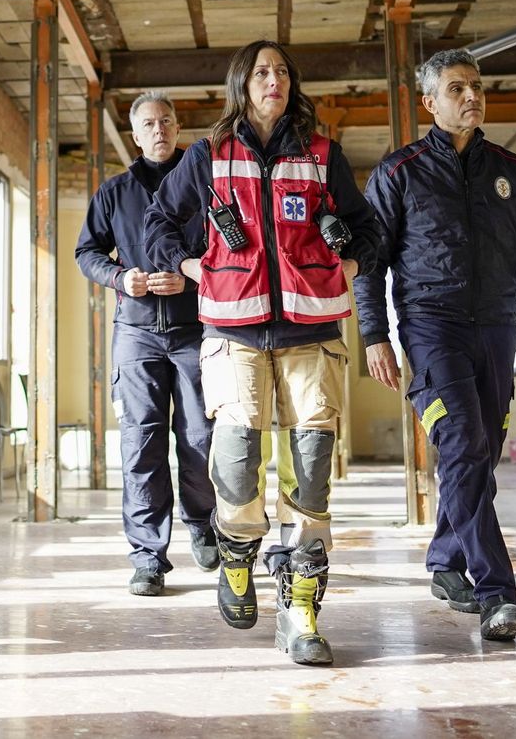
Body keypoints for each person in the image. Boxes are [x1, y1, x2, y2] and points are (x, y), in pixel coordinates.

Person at [144, 40, 380, 666]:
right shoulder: (209, 155)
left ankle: (300, 610)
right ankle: (237, 552)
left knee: (311, 465)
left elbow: (368, 228)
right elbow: (158, 223)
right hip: (233, 331)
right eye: (260, 72)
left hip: (312, 331)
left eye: (281, 71)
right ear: (241, 85)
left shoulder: (322, 155)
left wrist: (350, 264)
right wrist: (192, 265)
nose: (273, 79)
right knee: (236, 454)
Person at [353, 48, 516, 642]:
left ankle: (444, 561)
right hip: (431, 326)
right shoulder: (399, 173)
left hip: (498, 327)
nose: (471, 97)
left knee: (480, 453)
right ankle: (496, 593)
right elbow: (368, 263)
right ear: (430, 102)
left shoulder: (513, 172)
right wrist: (374, 335)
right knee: (461, 442)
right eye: (456, 88)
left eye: (476, 87)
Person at [74, 93, 218, 595]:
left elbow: (226, 253)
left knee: (202, 438)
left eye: (166, 121)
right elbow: (87, 252)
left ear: (178, 128)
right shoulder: (114, 193)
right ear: (135, 136)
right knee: (141, 444)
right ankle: (148, 558)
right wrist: (120, 278)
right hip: (136, 334)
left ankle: (202, 522)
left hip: (195, 330)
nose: (159, 130)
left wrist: (190, 278)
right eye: (149, 124)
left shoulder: (206, 187)